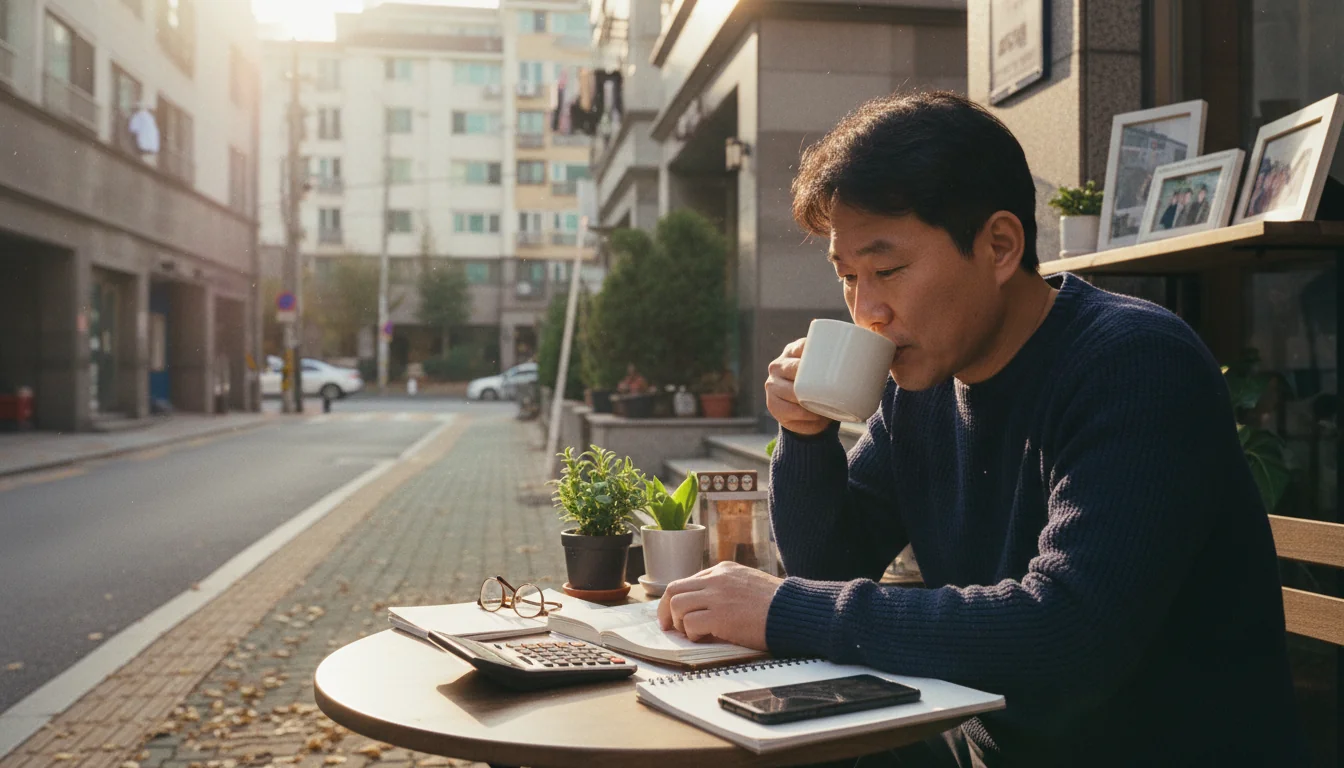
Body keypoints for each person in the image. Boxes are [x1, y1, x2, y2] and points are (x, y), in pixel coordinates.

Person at [657, 92, 1305, 767]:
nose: (866, 310)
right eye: (848, 276)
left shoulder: (1134, 362)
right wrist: (806, 436)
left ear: (999, 246)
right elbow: (832, 567)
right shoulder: (925, 382)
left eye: (887, 270)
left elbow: (1067, 631)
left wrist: (780, 611)